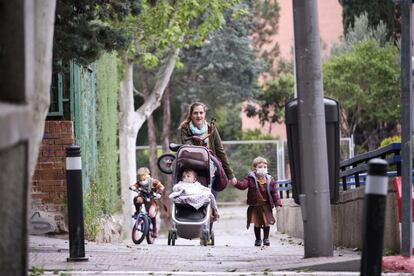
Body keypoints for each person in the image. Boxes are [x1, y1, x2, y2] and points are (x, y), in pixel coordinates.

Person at [178, 102, 237, 191]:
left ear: (205, 114)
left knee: (209, 194)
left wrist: (231, 175)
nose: (199, 116)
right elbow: (187, 147)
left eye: (201, 113)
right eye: (195, 113)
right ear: (191, 114)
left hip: (209, 167)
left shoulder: (211, 129)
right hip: (192, 166)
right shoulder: (185, 128)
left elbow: (220, 151)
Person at [231, 156, 282, 247]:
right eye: (260, 167)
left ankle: (266, 238)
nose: (263, 169)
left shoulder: (270, 179)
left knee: (267, 222)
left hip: (266, 205)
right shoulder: (250, 178)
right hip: (255, 205)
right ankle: (258, 239)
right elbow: (243, 185)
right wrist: (236, 183)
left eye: (265, 167)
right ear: (255, 168)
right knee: (257, 223)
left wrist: (277, 203)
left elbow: (274, 193)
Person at [129, 167, 164, 238]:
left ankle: (154, 229)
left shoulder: (153, 181)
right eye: (140, 176)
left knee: (151, 213)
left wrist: (159, 193)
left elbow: (161, 187)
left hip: (152, 199)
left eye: (143, 175)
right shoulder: (140, 182)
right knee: (138, 199)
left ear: (147, 174)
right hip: (143, 197)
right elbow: (134, 185)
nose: (142, 177)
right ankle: (138, 212)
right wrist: (132, 187)